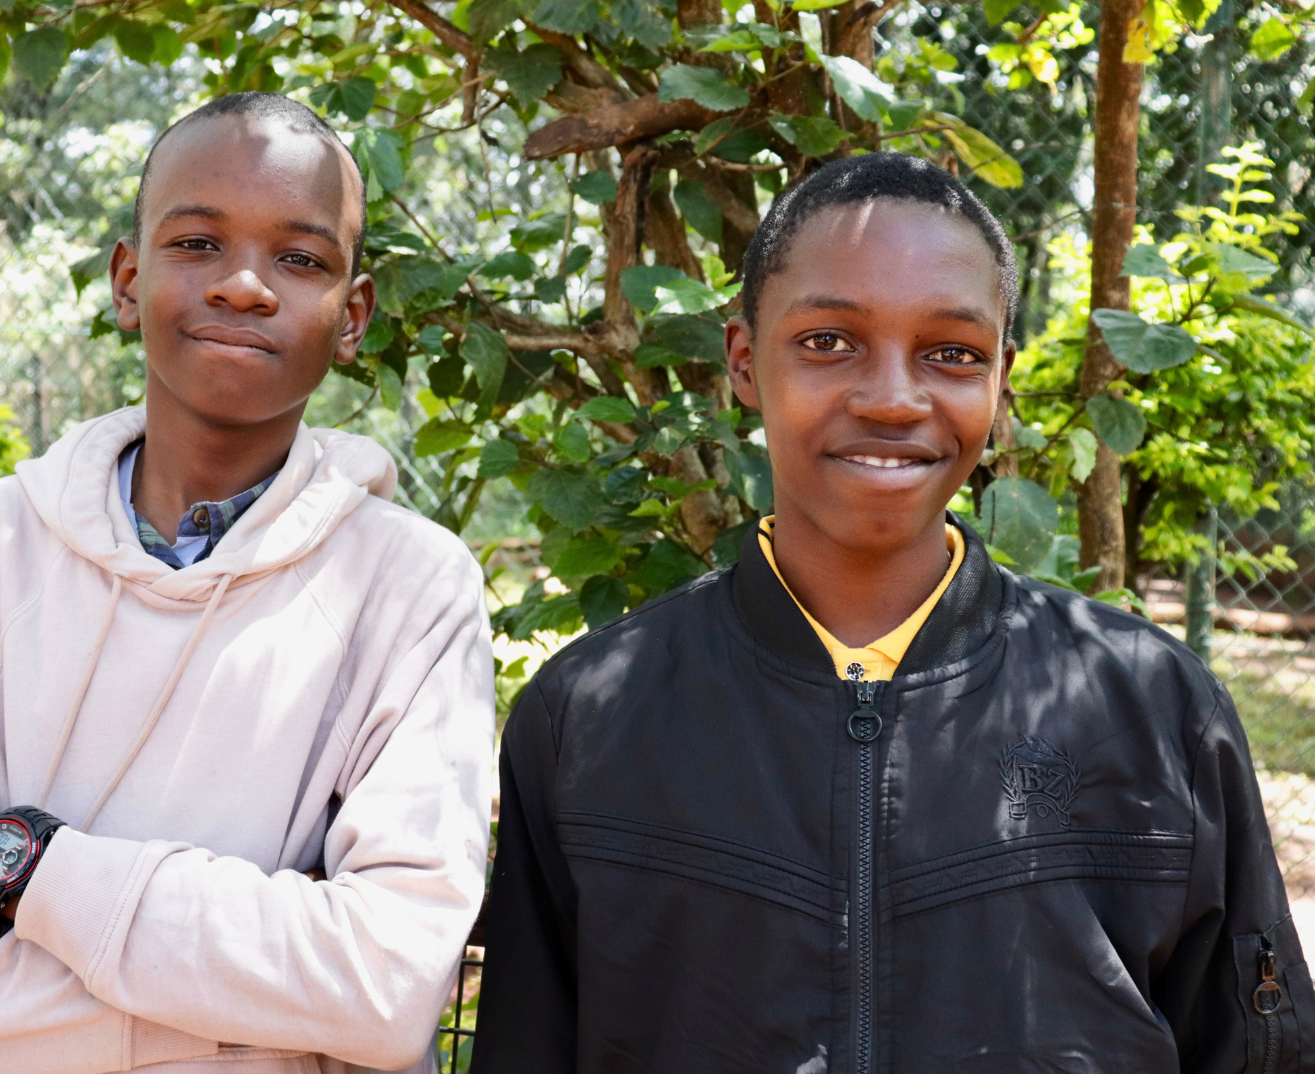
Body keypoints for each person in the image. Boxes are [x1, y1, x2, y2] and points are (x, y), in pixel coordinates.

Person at [471, 152, 1312, 1073]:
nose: (891, 398)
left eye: (951, 354)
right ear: (744, 362)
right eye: (828, 342)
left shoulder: (1154, 708)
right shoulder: (589, 717)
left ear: (999, 383)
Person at [0, 92, 495, 1074]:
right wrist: (260, 1023)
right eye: (197, 243)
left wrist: (27, 869)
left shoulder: (411, 589)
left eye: (300, 258)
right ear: (127, 280)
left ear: (352, 316)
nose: (244, 285)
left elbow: (385, 989)